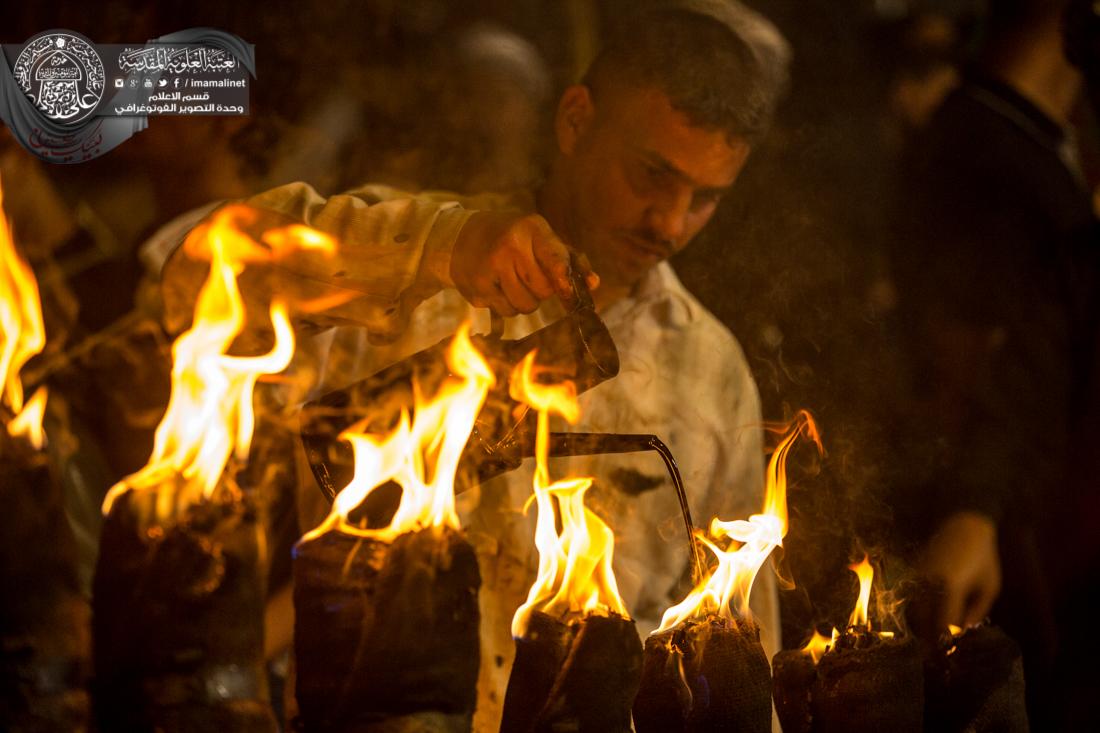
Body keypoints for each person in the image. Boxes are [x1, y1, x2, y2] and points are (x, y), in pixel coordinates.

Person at [162, 2, 790, 729]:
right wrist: (439, 248)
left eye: (704, 198)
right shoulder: (424, 272)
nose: (670, 223)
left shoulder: (709, 369)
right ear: (576, 120)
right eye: (651, 174)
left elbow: (748, 653)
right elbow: (191, 271)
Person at [890, 0, 1099, 726]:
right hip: (1024, 536)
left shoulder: (1024, 146)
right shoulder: (983, 157)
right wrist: (976, 508)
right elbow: (991, 354)